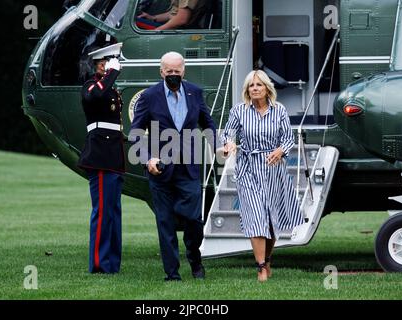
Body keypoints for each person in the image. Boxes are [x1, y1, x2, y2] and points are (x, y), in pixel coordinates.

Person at [130, 51, 216, 281]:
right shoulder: (149, 97)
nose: (173, 75)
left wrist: (218, 145)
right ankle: (172, 273)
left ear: (183, 71)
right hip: (160, 171)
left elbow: (207, 123)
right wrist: (148, 159)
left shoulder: (195, 93)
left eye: (177, 71)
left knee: (193, 220)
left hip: (189, 169)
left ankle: (195, 260)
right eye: (169, 72)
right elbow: (136, 133)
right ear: (161, 72)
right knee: (165, 222)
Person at [220, 70, 303, 282]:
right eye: (251, 85)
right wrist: (229, 143)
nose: (255, 88)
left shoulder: (279, 110)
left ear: (267, 88)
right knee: (256, 216)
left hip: (273, 169)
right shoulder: (239, 110)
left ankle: (266, 260)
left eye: (259, 85)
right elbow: (228, 132)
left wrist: (281, 150)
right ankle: (260, 267)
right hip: (248, 168)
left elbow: (288, 138)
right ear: (247, 90)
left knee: (271, 218)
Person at [77, 43, 125, 274]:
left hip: (113, 155)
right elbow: (97, 95)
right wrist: (112, 73)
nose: (111, 64)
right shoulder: (90, 86)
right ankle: (99, 264)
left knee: (114, 212)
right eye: (107, 61)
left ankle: (112, 263)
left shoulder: (109, 88)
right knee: (103, 211)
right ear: (98, 64)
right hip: (100, 155)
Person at [137, 0, 207, 30]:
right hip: (177, 28)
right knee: (138, 20)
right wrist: (153, 18)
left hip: (182, 30)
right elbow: (173, 13)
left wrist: (155, 32)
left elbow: (181, 19)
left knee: (137, 23)